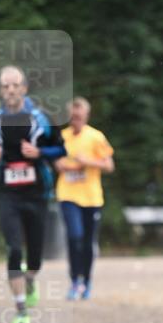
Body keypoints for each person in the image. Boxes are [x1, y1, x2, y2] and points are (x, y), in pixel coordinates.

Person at [0, 66, 66, 323]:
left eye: (15, 85)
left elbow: (61, 147)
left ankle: (29, 279)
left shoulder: (41, 118)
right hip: (8, 194)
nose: (11, 90)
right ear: (0, 91)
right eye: (6, 86)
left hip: (38, 192)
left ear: (25, 88)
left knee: (36, 256)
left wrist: (39, 153)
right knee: (14, 248)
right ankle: (20, 309)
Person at [55, 96, 114, 300]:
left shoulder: (96, 137)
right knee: (74, 236)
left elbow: (109, 165)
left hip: (92, 197)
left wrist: (86, 161)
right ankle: (74, 281)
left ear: (86, 116)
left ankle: (86, 281)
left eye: (78, 117)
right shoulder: (62, 137)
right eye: (72, 117)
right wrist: (65, 165)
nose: (75, 120)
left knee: (88, 242)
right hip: (67, 194)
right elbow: (57, 162)